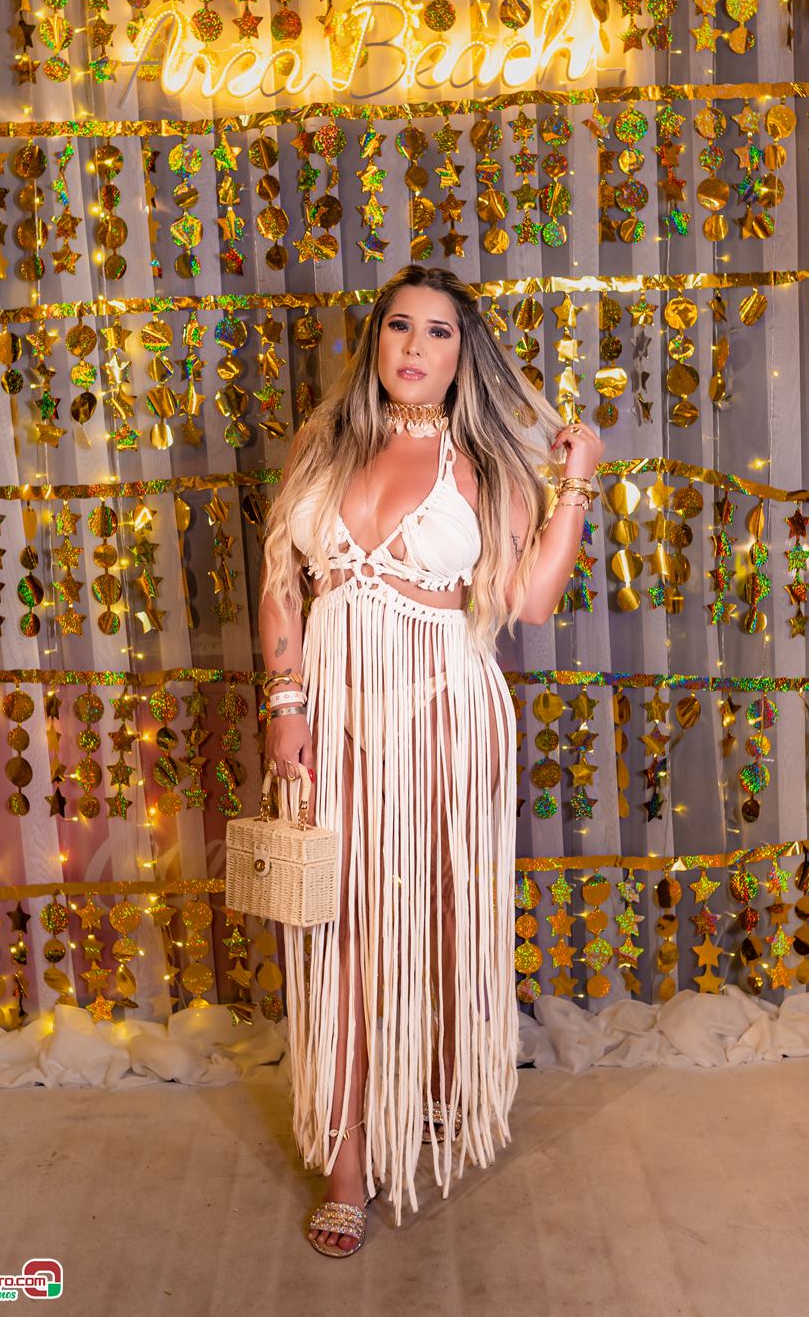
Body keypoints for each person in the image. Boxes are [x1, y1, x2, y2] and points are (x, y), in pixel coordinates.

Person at [258, 264, 603, 1257]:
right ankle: (347, 1162)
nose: (413, 346)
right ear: (375, 339)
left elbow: (529, 601)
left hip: (445, 711)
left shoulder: (485, 461)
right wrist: (283, 701)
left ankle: (440, 1087)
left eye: (438, 332)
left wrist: (577, 481)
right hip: (332, 713)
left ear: (463, 354)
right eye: (399, 326)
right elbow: (281, 580)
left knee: (442, 922)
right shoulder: (323, 445)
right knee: (344, 931)